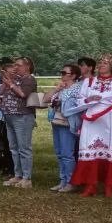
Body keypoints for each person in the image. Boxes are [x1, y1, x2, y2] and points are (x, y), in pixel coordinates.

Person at [71, 54, 112, 197]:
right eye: (101, 62)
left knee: (109, 151)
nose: (102, 65)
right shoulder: (89, 82)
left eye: (106, 63)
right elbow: (79, 100)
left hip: (109, 121)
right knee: (90, 152)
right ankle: (90, 186)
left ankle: (109, 186)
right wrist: (89, 99)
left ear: (111, 67)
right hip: (91, 120)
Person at [0, 55, 38, 188]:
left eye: (18, 65)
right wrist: (6, 82)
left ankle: (27, 178)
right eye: (14, 65)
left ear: (27, 67)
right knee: (13, 148)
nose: (15, 67)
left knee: (24, 148)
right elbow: (1, 92)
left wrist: (11, 84)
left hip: (23, 117)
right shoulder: (14, 79)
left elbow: (23, 94)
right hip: (9, 116)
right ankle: (17, 175)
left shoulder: (29, 80)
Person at [44, 63, 85, 193]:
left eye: (64, 73)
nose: (61, 75)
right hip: (56, 122)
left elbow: (80, 106)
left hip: (68, 123)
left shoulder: (78, 89)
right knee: (60, 153)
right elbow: (46, 99)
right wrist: (56, 89)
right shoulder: (61, 88)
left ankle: (70, 182)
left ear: (73, 75)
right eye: (61, 72)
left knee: (67, 154)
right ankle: (63, 181)